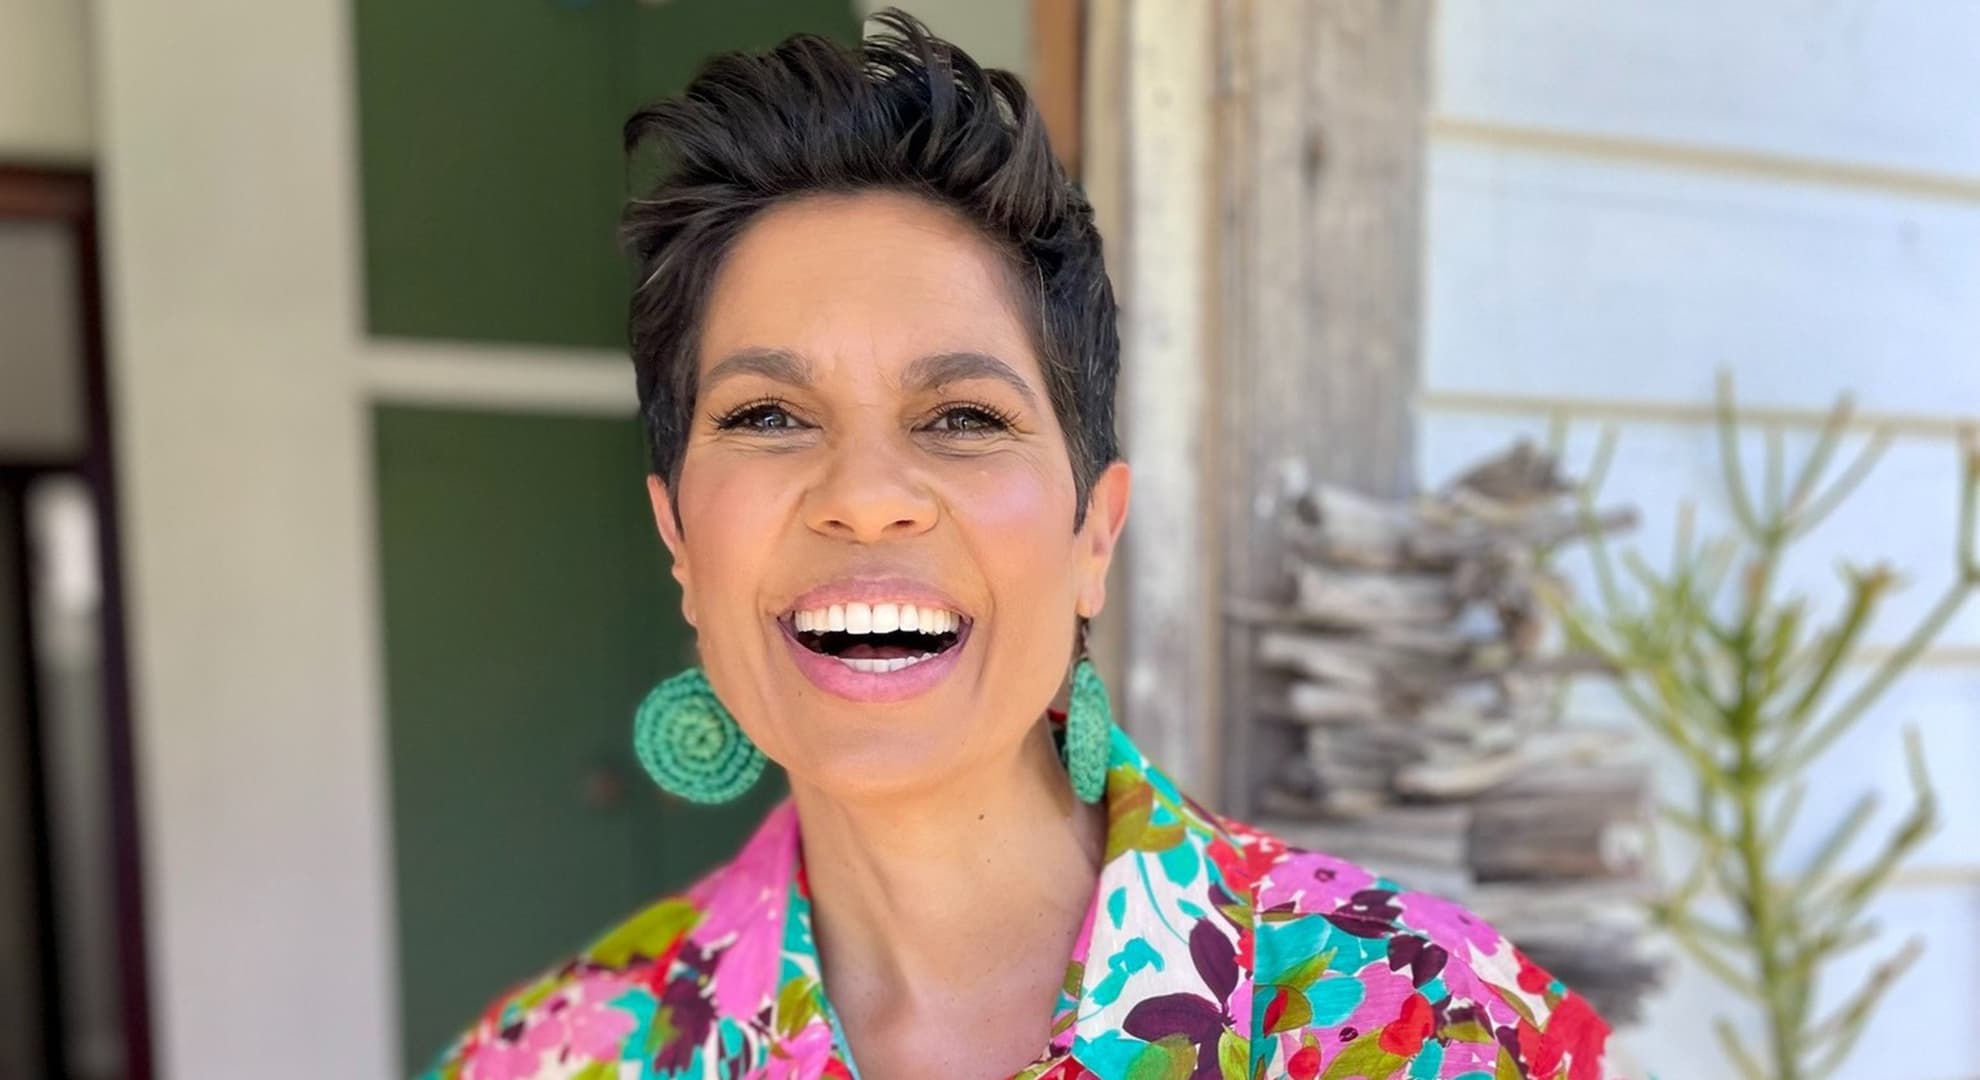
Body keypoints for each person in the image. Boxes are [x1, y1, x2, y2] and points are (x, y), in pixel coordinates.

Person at [418, 11, 1618, 1079]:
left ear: (1095, 531)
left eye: (962, 418)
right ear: (679, 536)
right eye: (769, 416)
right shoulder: (556, 1056)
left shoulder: (1424, 1025)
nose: (867, 496)